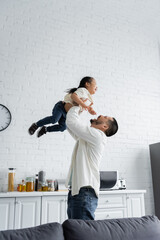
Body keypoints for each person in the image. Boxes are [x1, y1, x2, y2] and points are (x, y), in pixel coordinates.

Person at [65, 106, 118, 220]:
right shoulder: (89, 138)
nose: (100, 115)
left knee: (82, 233)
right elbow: (70, 125)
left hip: (84, 192)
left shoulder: (98, 135)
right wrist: (69, 110)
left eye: (105, 117)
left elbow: (72, 122)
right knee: (74, 232)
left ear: (104, 126)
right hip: (78, 191)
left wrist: (78, 105)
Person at [28, 76, 97, 137]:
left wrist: (91, 110)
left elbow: (87, 107)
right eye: (95, 85)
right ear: (87, 84)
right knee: (54, 119)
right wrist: (83, 104)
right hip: (61, 107)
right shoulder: (83, 90)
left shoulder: (89, 97)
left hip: (67, 115)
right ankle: (36, 125)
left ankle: (45, 129)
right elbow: (74, 96)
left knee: (63, 127)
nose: (97, 87)